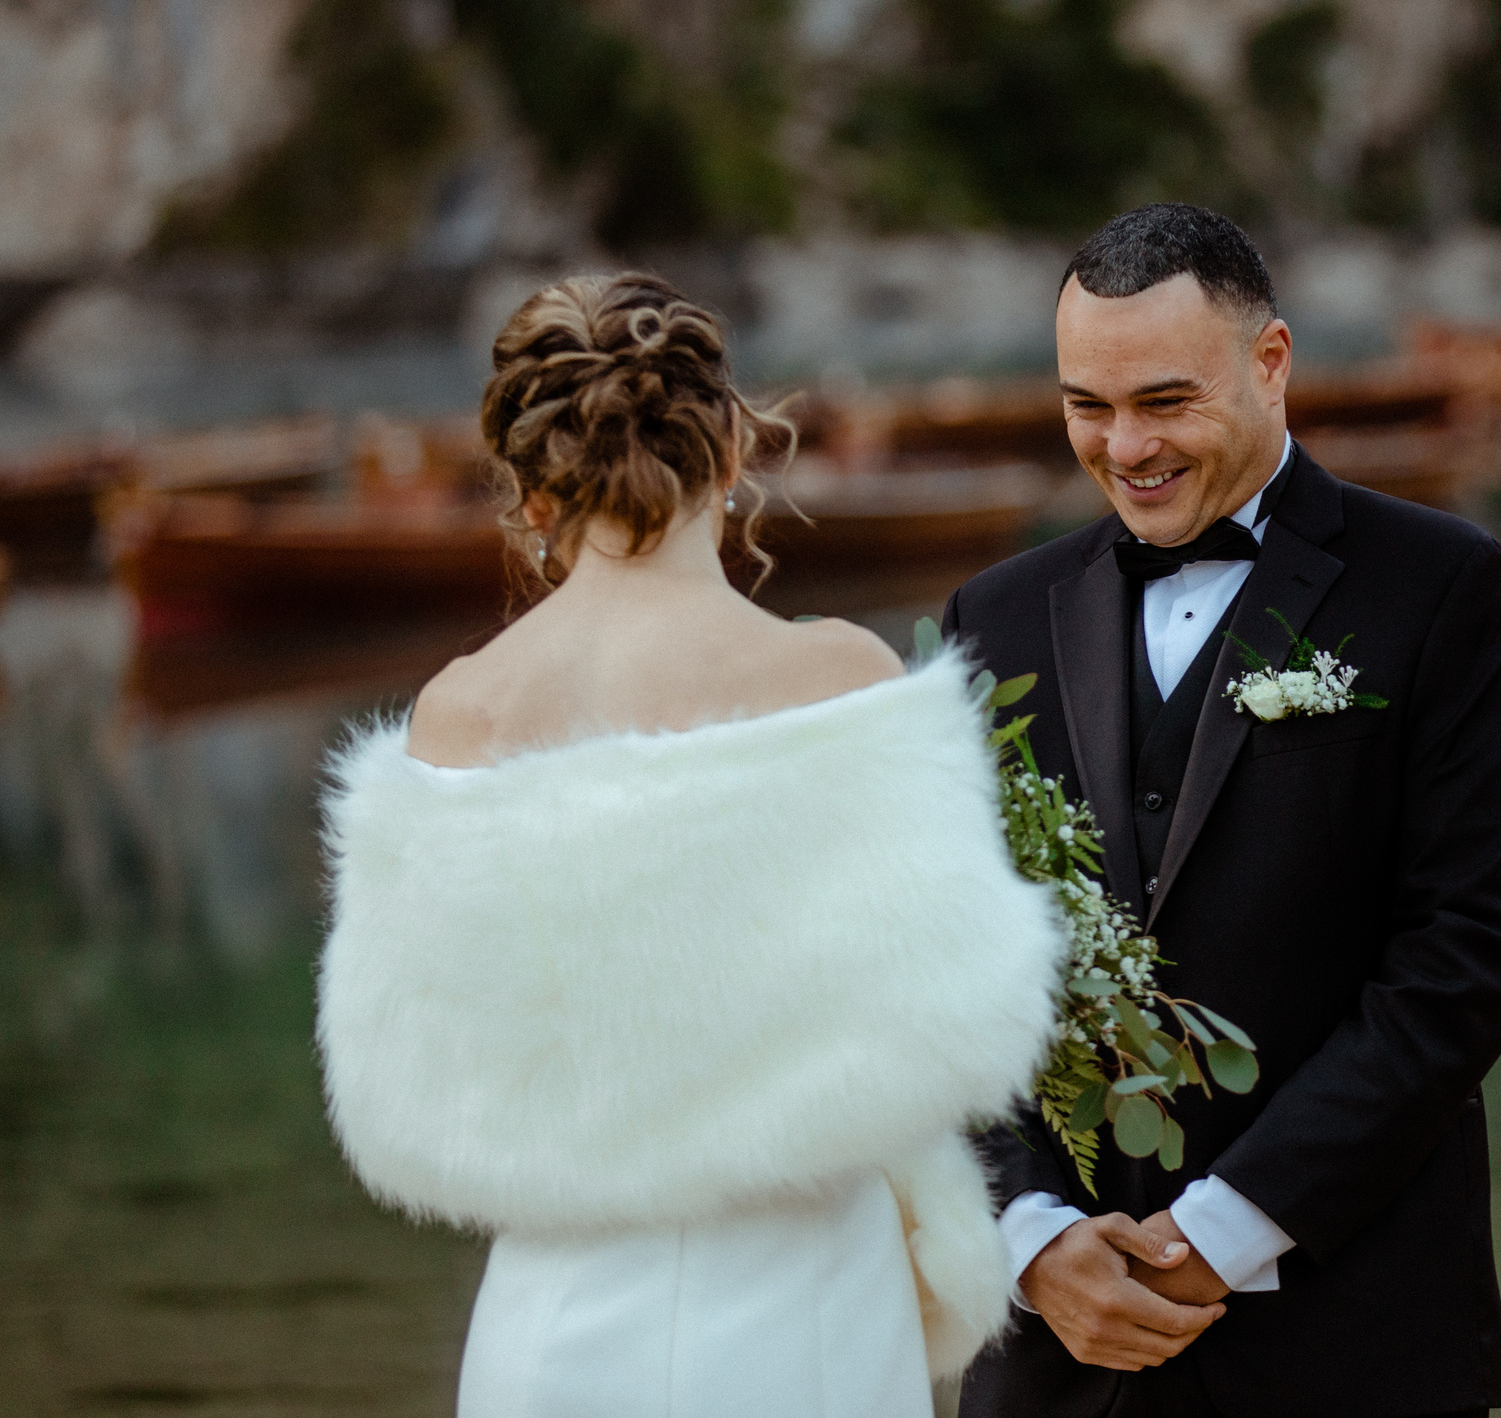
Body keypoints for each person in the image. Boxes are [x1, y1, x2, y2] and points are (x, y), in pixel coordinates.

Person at [315, 274, 1067, 1418]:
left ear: (527, 492)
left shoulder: (453, 717)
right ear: (732, 452)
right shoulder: (841, 683)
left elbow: (406, 1077)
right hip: (809, 1293)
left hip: (551, 1310)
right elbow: (964, 1019)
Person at [944, 204, 1501, 1418]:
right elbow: (943, 969)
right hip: (1059, 1356)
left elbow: (1466, 961)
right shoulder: (993, 618)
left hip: (1351, 1344)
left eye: (1165, 402)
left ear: (1270, 363)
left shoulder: (1444, 589)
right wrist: (1028, 1232)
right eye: (1085, 407)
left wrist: (1224, 1230)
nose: (1125, 448)